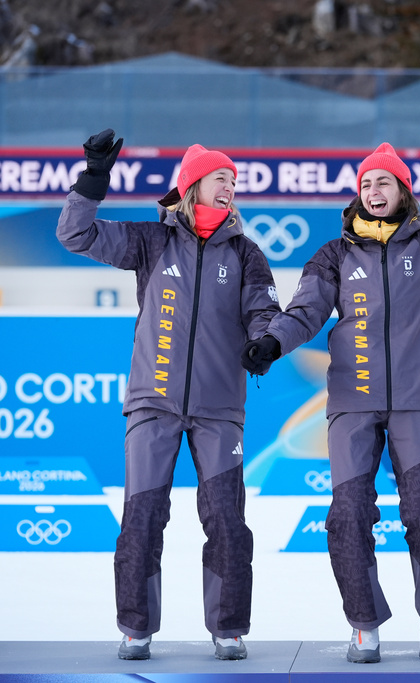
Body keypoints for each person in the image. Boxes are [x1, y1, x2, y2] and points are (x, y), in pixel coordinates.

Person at [241, 136, 420, 663]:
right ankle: (363, 623)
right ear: (358, 195)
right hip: (353, 401)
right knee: (348, 514)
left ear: (403, 190)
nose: (375, 190)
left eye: (385, 182)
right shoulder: (333, 255)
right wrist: (272, 342)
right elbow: (305, 311)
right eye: (366, 183)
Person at [56, 132, 281, 661]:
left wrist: (263, 342)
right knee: (143, 517)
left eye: (234, 181)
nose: (230, 187)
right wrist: (92, 179)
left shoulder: (248, 255)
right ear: (192, 187)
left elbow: (263, 312)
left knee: (226, 520)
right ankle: (136, 629)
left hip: (219, 407)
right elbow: (74, 233)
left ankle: (228, 628)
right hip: (152, 403)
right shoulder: (150, 242)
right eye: (220, 179)